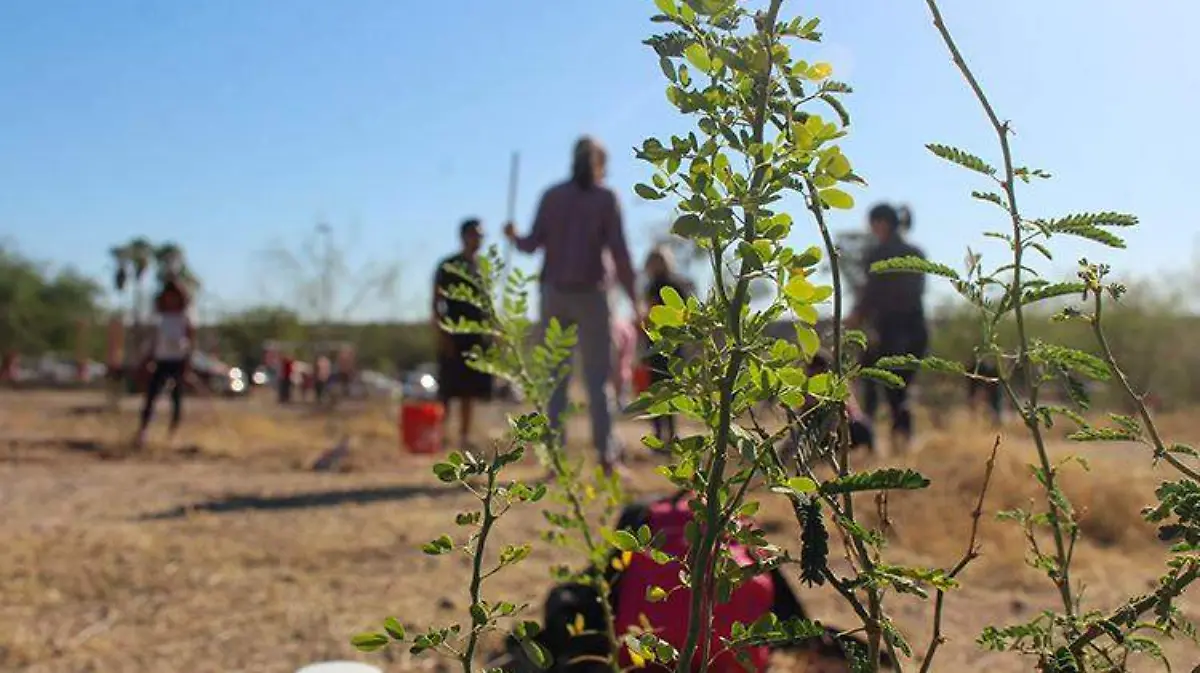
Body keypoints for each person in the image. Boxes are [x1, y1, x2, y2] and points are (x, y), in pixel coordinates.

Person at [504, 136, 641, 475]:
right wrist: (635, 298)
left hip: (554, 294)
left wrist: (513, 235)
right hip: (592, 295)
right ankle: (607, 458)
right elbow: (620, 253)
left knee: (556, 379)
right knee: (599, 380)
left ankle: (555, 461)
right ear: (601, 165)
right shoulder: (606, 198)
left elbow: (531, 244)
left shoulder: (552, 196)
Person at [847, 204, 928, 455]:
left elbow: (872, 293)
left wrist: (856, 318)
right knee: (901, 391)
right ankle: (902, 445)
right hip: (916, 332)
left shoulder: (879, 254)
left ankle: (875, 444)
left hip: (889, 331)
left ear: (883, 223)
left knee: (875, 386)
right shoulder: (916, 253)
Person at [433, 218, 494, 450]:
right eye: (474, 234)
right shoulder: (448, 265)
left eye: (481, 235)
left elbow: (487, 304)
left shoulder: (482, 269)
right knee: (448, 390)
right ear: (464, 236)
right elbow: (436, 302)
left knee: (470, 390)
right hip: (454, 331)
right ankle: (439, 436)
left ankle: (464, 438)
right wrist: (442, 333)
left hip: (477, 335)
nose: (478, 240)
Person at [134, 279, 195, 448]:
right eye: (168, 296)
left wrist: (188, 364)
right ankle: (142, 431)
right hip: (161, 360)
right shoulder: (159, 317)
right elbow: (153, 341)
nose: (171, 299)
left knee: (176, 398)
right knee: (151, 396)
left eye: (174, 296)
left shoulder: (185, 317)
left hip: (178, 360)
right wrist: (145, 360)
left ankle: (172, 433)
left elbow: (190, 341)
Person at [642, 246, 692, 447]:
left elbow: (650, 314)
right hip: (665, 346)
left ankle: (666, 438)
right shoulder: (666, 285)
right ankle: (665, 438)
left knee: (663, 393)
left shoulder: (663, 286)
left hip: (666, 346)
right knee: (663, 393)